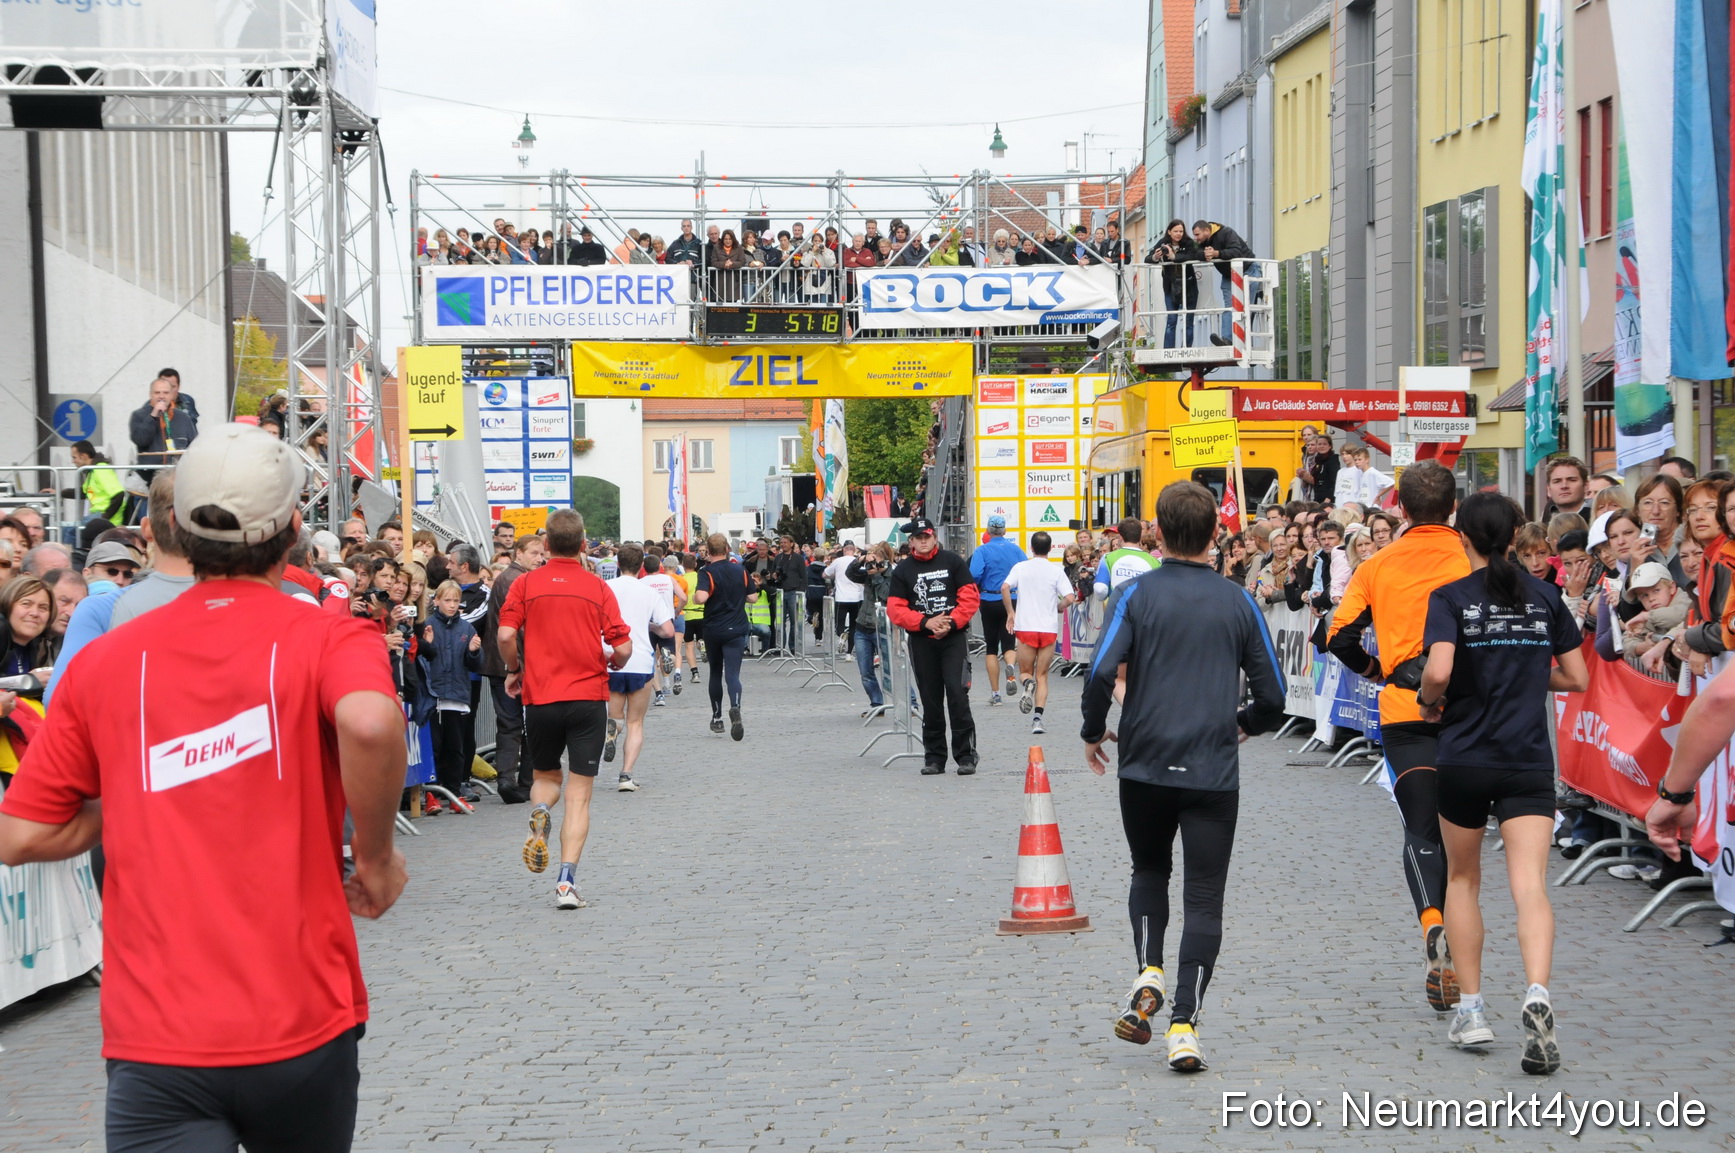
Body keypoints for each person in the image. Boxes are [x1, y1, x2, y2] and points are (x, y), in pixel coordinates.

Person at [0, 422, 408, 1152]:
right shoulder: (329, 635)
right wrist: (376, 858)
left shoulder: (106, 661)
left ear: (176, 529)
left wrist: (125, 794)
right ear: (290, 529)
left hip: (160, 1034)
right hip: (301, 1015)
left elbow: (20, 833)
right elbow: (374, 726)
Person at [1081, 481, 1286, 1072]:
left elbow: (1098, 674)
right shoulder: (1239, 600)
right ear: (1216, 535)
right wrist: (1242, 722)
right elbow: (1272, 695)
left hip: (1143, 762)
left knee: (1148, 869)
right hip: (1211, 770)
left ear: (1158, 535)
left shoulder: (1135, 594)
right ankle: (1184, 1026)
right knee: (1204, 898)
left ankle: (1149, 969)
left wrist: (1093, 732)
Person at [1416, 492, 1589, 1073]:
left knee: (1463, 880)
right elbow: (1578, 677)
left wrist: (1428, 700)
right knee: (1530, 886)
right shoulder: (1544, 595)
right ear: (1516, 536)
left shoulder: (1451, 597)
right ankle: (1538, 994)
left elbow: (1438, 670)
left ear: (1459, 535)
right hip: (1526, 758)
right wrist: (1526, 675)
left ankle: (1471, 1009)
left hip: (1465, 755)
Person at [1327, 460, 1470, 1013]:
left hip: (1405, 710)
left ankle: (1432, 923)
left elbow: (1335, 637)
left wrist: (1373, 671)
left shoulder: (1378, 564)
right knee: (1466, 841)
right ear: (1453, 508)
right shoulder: (1474, 560)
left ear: (1402, 510)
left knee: (1420, 830)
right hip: (1469, 712)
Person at [497, 510, 631, 911]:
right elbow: (623, 647)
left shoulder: (525, 583)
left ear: (547, 545)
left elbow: (505, 634)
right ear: (585, 544)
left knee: (545, 776)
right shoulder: (597, 587)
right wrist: (615, 662)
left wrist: (515, 668)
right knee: (579, 796)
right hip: (588, 697)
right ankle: (566, 883)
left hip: (541, 698)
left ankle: (539, 809)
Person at [886, 517, 980, 775]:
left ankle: (966, 756)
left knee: (958, 694)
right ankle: (934, 757)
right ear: (912, 541)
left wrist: (950, 623)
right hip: (922, 641)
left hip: (953, 639)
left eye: (927, 536)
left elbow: (970, 598)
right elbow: (895, 609)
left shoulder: (953, 561)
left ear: (934, 537)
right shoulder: (903, 570)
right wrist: (926, 623)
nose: (924, 540)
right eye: (919, 537)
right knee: (931, 699)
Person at [604, 544, 675, 793]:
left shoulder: (605, 588)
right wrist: (650, 626)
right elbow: (667, 630)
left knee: (616, 716)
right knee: (636, 722)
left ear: (617, 564)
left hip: (610, 658)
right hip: (640, 660)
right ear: (641, 566)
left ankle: (612, 731)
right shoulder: (648, 592)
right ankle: (626, 775)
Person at [480, 534, 544, 803]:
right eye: (534, 553)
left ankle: (517, 780)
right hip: (511, 664)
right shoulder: (515, 579)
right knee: (521, 724)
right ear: (519, 553)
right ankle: (515, 780)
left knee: (515, 724)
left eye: (542, 554)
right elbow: (515, 628)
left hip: (506, 662)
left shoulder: (514, 578)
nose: (539, 558)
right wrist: (515, 666)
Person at [1001, 531, 1076, 736]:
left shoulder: (1021, 567)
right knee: (1042, 675)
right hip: (1048, 628)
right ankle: (1037, 719)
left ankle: (1027, 684)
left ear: (1031, 548)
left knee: (1025, 672)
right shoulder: (1056, 570)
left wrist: (1010, 613)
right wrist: (1058, 607)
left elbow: (1005, 587)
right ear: (1050, 548)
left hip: (1026, 627)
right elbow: (1070, 597)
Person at [420, 580, 483, 811]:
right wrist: (426, 646)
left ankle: (455, 793)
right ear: (436, 601)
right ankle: (431, 793)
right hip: (433, 694)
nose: (452, 605)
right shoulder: (428, 625)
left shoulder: (466, 628)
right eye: (447, 600)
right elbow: (422, 660)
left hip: (456, 695)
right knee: (434, 745)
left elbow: (475, 663)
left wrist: (475, 652)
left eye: (456, 601)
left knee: (455, 746)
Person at [693, 532, 755, 740]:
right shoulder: (741, 570)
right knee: (733, 673)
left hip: (714, 628)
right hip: (737, 627)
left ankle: (717, 716)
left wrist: (697, 595)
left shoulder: (706, 572)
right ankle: (735, 706)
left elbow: (701, 597)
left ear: (708, 552)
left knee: (715, 672)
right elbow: (753, 597)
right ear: (727, 549)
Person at [968, 515, 1027, 704]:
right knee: (1009, 642)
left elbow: (974, 574)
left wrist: (980, 584)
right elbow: (1025, 571)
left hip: (989, 598)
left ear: (987, 531)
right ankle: (1010, 666)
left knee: (991, 647)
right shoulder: (1016, 550)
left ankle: (996, 693)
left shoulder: (982, 550)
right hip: (1012, 598)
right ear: (1005, 531)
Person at [846, 542, 895, 716]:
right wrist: (859, 561)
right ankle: (877, 704)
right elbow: (850, 574)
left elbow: (886, 595)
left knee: (892, 668)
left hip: (881, 627)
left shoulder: (892, 575)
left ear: (885, 560)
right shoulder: (867, 573)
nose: (872, 565)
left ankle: (910, 702)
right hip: (862, 626)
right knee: (866, 671)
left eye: (876, 560)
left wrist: (876, 576)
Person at [1191, 220, 1255, 344]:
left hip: (1248, 269)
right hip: (1229, 274)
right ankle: (1227, 339)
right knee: (1229, 307)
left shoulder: (1227, 232)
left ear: (1207, 231)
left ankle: (1246, 342)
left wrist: (1216, 253)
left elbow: (1237, 252)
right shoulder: (1203, 243)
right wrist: (1205, 254)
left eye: (1197, 234)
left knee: (1247, 307)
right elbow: (1193, 253)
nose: (1196, 238)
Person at [1148, 219, 1201, 349]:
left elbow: (1193, 256)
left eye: (1181, 231)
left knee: (1189, 320)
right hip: (1170, 286)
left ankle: (1187, 349)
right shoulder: (1163, 243)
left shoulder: (1188, 243)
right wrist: (1156, 256)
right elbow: (1148, 258)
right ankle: (1168, 350)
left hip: (1188, 285)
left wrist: (1174, 257)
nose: (1178, 234)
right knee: (1172, 320)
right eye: (1176, 231)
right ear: (1169, 232)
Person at [1094, 517, 1161, 598]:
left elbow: (1100, 589)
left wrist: (1104, 599)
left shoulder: (1108, 558)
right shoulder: (1154, 561)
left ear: (1120, 537)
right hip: (1142, 608)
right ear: (1140, 536)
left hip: (1117, 607)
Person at [825, 540, 865, 653]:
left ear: (843, 550)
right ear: (854, 550)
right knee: (854, 625)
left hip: (842, 597)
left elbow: (825, 574)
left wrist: (835, 575)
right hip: (857, 597)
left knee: (839, 623)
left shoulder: (838, 561)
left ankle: (842, 635)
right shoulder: (858, 561)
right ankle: (849, 652)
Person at [679, 552, 705, 685]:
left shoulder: (681, 579)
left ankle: (695, 673)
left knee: (689, 645)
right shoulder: (701, 577)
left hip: (687, 615)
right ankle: (702, 646)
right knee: (701, 639)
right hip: (701, 613)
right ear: (695, 564)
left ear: (683, 565)